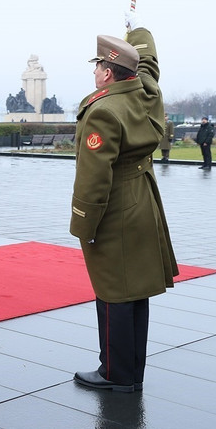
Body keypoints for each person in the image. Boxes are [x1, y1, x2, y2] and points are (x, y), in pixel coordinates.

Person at [70, 22, 178, 394]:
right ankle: (132, 371)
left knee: (113, 290)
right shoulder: (146, 92)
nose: (95, 71)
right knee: (135, 291)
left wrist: (84, 223)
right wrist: (139, 34)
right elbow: (148, 65)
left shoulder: (104, 110)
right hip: (143, 201)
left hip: (114, 208)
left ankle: (115, 374)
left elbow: (93, 177)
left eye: (98, 65)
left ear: (109, 73)